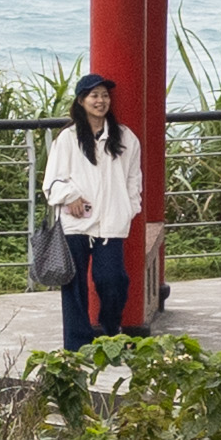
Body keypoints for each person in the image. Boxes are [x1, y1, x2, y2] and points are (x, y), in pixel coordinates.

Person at [43, 69, 144, 352]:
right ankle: (77, 345)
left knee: (112, 280)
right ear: (81, 101)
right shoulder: (67, 139)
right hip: (76, 224)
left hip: (111, 223)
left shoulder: (125, 138)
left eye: (104, 95)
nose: (100, 101)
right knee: (73, 287)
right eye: (93, 96)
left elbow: (134, 180)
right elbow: (51, 182)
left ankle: (112, 332)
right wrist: (69, 196)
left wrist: (129, 207)